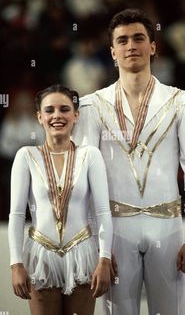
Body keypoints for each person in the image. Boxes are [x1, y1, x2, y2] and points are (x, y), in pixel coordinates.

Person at [73, 8, 185, 315]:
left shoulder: (184, 104)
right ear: (112, 52)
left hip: (168, 228)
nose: (130, 46)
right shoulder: (92, 107)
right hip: (115, 230)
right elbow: (83, 181)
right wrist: (99, 244)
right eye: (122, 40)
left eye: (138, 38)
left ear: (153, 46)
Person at [8, 84, 113, 315]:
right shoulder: (26, 156)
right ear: (39, 117)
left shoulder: (89, 155)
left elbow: (103, 212)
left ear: (76, 115)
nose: (57, 115)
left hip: (83, 252)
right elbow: (16, 215)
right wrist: (15, 264)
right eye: (50, 110)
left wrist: (104, 259)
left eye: (64, 109)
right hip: (41, 254)